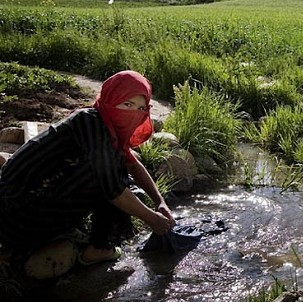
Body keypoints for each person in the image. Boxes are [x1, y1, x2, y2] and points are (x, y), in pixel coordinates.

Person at [0, 70, 176, 274]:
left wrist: (159, 201)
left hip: (22, 205)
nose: (133, 114)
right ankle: (99, 249)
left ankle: (71, 234)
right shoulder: (90, 122)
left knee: (116, 168)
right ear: (111, 99)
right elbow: (113, 189)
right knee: (114, 177)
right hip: (15, 216)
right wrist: (152, 219)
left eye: (140, 108)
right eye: (126, 105)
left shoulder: (100, 124)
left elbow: (133, 164)